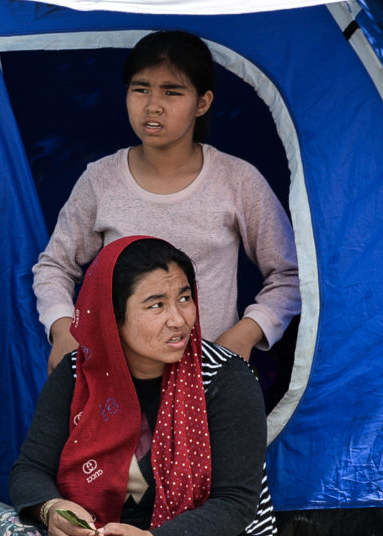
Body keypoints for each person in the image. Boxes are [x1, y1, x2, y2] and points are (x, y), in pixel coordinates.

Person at [0, 236, 280, 536]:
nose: (179, 319)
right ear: (112, 316)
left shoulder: (224, 379)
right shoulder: (77, 375)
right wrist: (53, 510)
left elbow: (235, 504)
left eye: (184, 297)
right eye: (156, 304)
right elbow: (30, 469)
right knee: (9, 523)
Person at [33, 30, 300, 372]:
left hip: (210, 376)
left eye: (171, 92)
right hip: (116, 378)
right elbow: (55, 266)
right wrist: (62, 328)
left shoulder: (237, 180)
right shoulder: (101, 180)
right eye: (140, 89)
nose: (152, 105)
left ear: (202, 103)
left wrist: (244, 335)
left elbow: (289, 274)